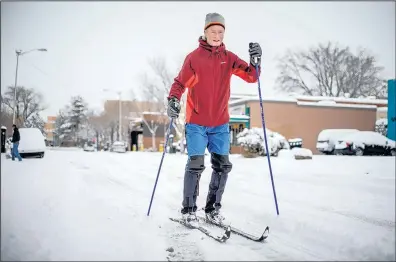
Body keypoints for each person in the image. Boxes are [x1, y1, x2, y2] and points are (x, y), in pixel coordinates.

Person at [167, 12, 262, 224]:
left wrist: (256, 61)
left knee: (222, 166)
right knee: (195, 165)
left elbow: (251, 76)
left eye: (220, 32)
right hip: (197, 122)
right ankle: (189, 210)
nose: (217, 35)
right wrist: (173, 99)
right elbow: (180, 83)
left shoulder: (229, 58)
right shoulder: (194, 58)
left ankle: (212, 210)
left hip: (220, 123)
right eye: (213, 31)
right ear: (205, 32)